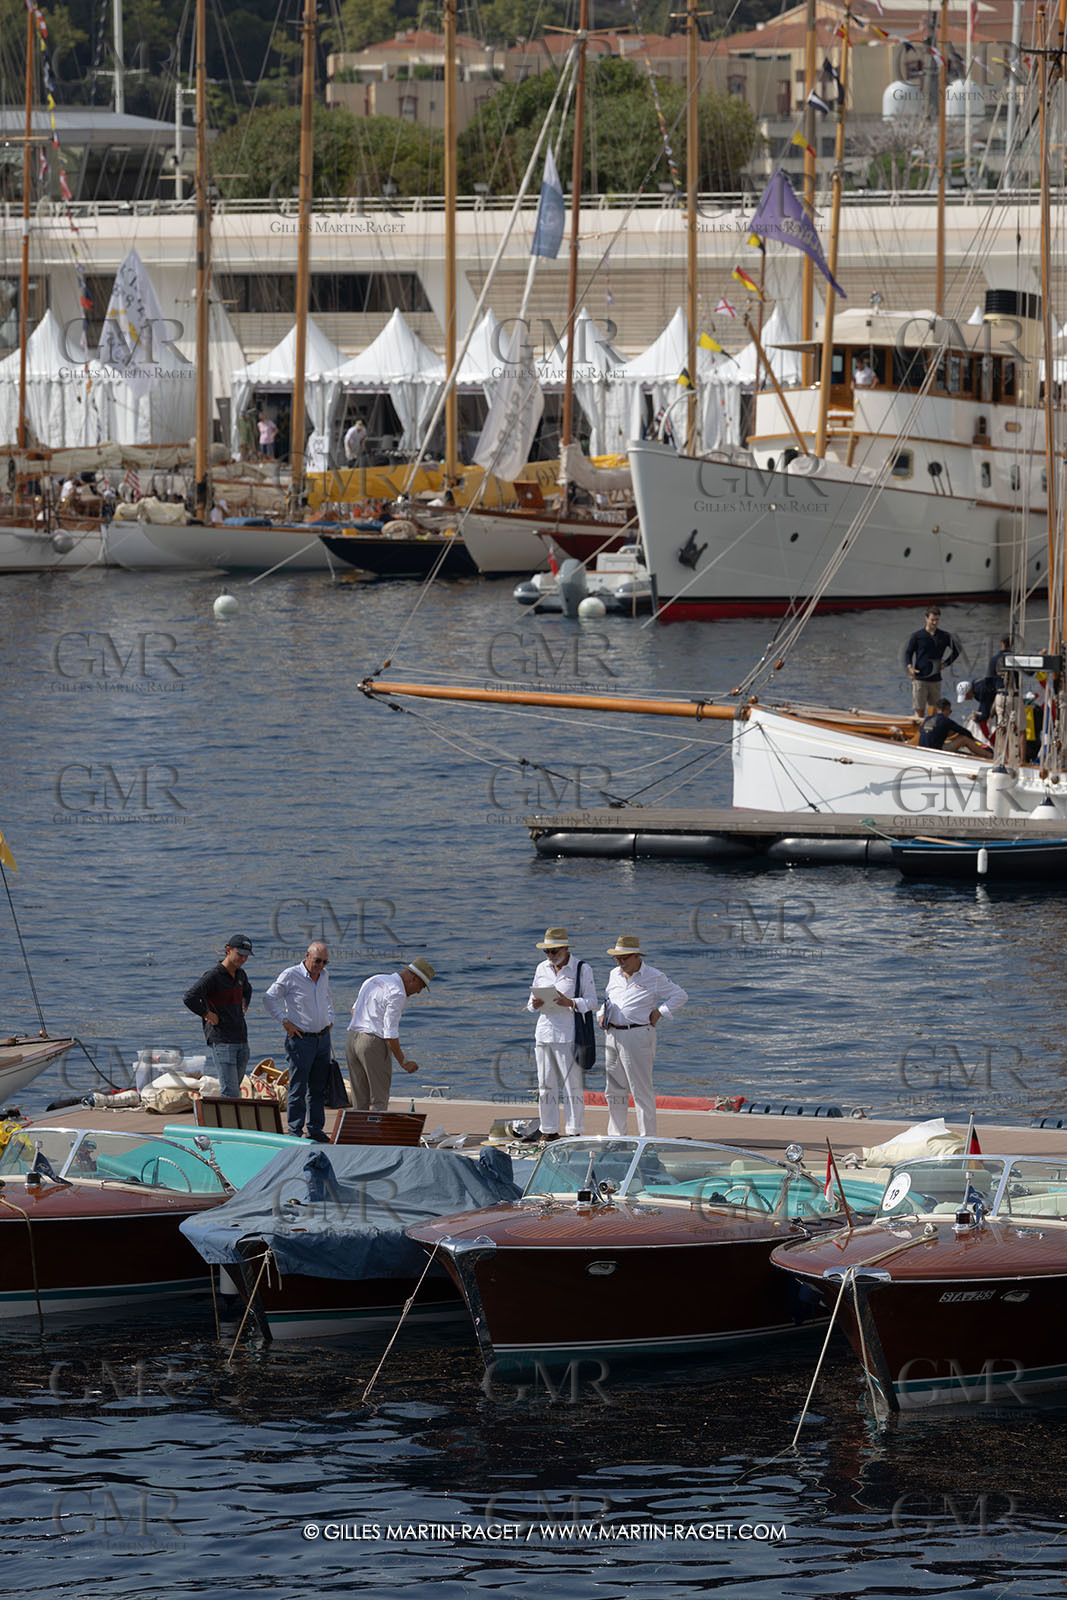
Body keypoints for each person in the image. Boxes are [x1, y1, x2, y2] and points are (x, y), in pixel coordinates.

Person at [599, 934, 687, 1138]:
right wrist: (601, 1014)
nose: (620, 963)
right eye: (617, 958)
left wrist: (660, 1012)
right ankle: (616, 1136)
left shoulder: (654, 976)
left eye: (624, 958)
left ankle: (647, 1139)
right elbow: (608, 999)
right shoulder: (614, 974)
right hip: (612, 1034)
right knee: (613, 1089)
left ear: (636, 956)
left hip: (637, 1034)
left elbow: (680, 995)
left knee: (640, 1090)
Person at [522, 927, 597, 1144]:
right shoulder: (542, 968)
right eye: (547, 952)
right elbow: (530, 1004)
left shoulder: (582, 968)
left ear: (565, 949)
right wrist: (534, 1004)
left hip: (570, 1033)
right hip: (544, 1032)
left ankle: (574, 1130)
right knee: (545, 1084)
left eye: (554, 951)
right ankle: (549, 1129)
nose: (550, 956)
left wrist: (571, 1002)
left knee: (572, 1085)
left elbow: (592, 1001)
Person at [263, 942, 334, 1141]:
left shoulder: (324, 975)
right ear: (307, 956)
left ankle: (315, 1129)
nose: (321, 965)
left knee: (318, 1088)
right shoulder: (291, 975)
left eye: (325, 962)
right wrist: (284, 1022)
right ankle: (295, 1131)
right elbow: (268, 998)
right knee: (298, 1087)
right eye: (317, 961)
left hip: (322, 1038)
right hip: (301, 1040)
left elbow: (327, 998)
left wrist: (330, 1019)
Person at [345, 958, 435, 1112]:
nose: (419, 991)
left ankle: (359, 1135)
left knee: (360, 1101)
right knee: (379, 1101)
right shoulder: (397, 993)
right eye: (420, 986)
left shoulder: (375, 979)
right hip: (372, 1043)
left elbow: (354, 1010)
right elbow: (390, 1034)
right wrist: (404, 1062)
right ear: (413, 978)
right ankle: (377, 1136)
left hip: (352, 1039)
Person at [182, 935, 254, 1099]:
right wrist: (207, 1014)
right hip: (222, 1040)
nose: (243, 959)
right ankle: (228, 1125)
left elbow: (248, 991)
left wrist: (244, 1004)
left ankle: (232, 1122)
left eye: (246, 956)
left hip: (241, 1039)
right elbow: (190, 997)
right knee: (230, 1091)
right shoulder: (214, 976)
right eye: (240, 954)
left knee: (236, 1087)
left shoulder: (241, 975)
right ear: (228, 950)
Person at [902, 605, 960, 720]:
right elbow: (908, 653)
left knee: (934, 714)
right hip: (919, 679)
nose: (934, 622)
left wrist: (946, 664)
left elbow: (957, 650)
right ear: (926, 618)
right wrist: (910, 667)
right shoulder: (917, 636)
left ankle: (931, 735)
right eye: (932, 619)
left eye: (937, 620)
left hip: (936, 679)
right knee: (919, 713)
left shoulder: (944, 636)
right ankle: (919, 735)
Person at [918, 697, 990, 757]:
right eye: (950, 711)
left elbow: (926, 732)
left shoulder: (927, 718)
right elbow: (965, 732)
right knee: (965, 739)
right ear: (946, 710)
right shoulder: (946, 721)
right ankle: (988, 755)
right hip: (936, 751)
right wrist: (974, 741)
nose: (950, 713)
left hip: (922, 748)